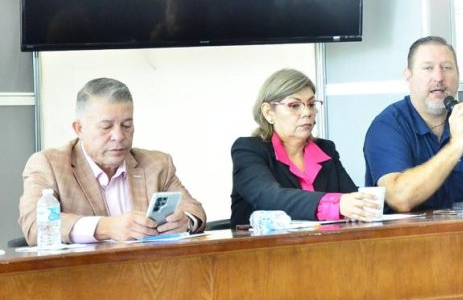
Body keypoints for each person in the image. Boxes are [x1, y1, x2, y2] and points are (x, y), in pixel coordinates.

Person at [18, 78, 205, 246]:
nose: (119, 136)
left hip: (148, 270)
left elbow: (194, 210)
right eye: (106, 126)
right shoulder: (49, 164)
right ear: (79, 128)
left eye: (126, 125)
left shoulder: (156, 164)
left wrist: (185, 221)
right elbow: (34, 224)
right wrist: (106, 227)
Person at [364, 36, 463, 213]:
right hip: (407, 231)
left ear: (458, 75)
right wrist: (457, 145)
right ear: (408, 76)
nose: (438, 77)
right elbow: (400, 199)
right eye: (428, 68)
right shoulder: (387, 126)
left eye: (447, 68)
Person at [231, 68, 379, 227]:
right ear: (268, 112)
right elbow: (269, 198)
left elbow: (350, 197)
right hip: (265, 243)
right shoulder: (249, 150)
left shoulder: (326, 149)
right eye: (294, 105)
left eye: (311, 104)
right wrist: (336, 205)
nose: (307, 112)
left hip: (326, 241)